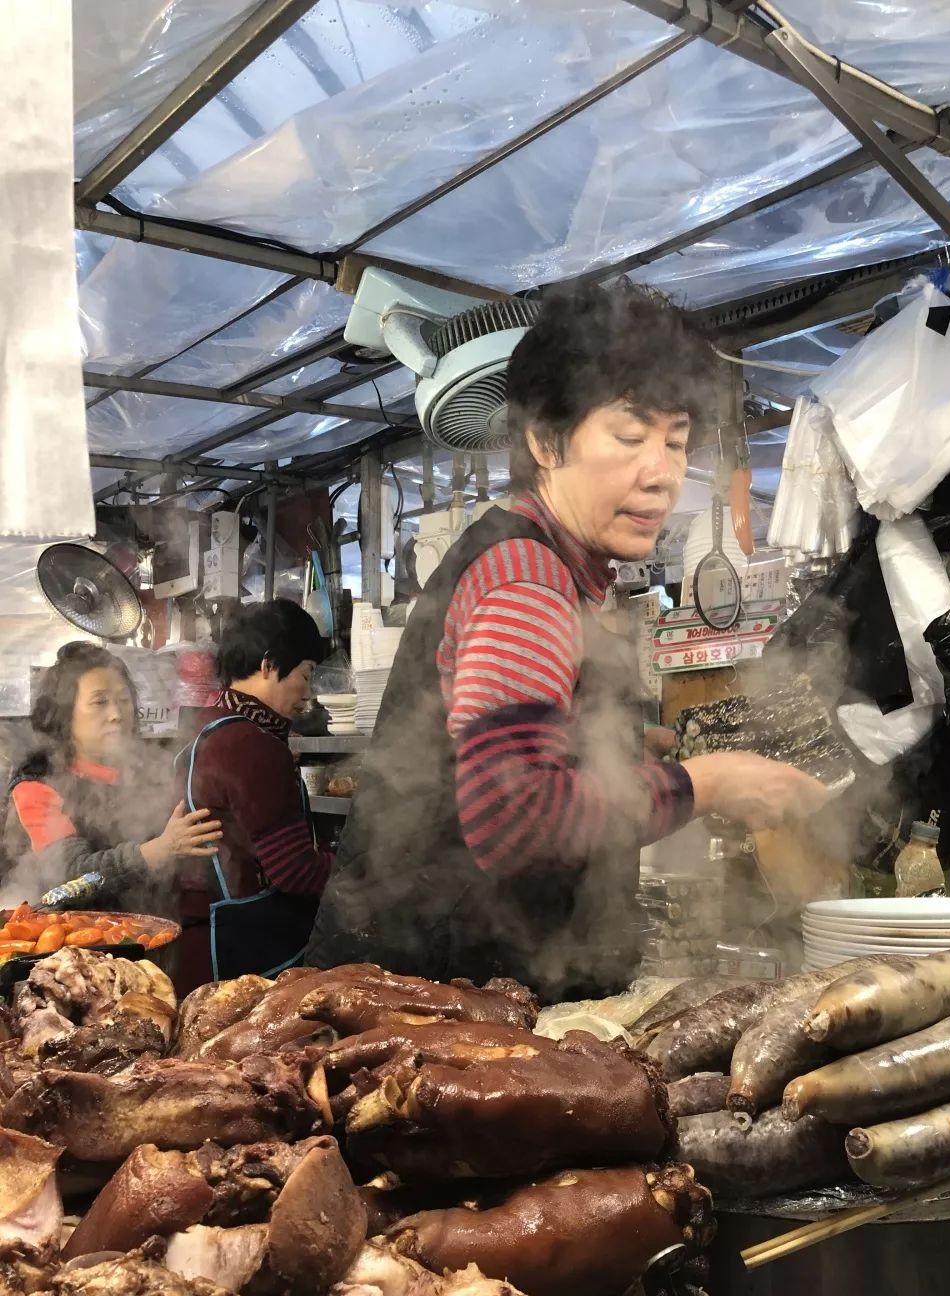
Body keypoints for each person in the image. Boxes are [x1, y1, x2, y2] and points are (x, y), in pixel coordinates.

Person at [306, 282, 828, 1000]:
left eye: (676, 442)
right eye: (629, 435)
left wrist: (596, 745)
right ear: (546, 440)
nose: (664, 473)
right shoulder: (527, 581)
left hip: (435, 986)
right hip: (425, 1007)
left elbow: (496, 747)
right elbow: (515, 820)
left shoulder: (551, 563)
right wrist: (709, 783)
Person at [176, 599, 328, 990]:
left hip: (198, 948)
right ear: (268, 664)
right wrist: (363, 872)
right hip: (247, 961)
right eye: (306, 673)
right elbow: (295, 871)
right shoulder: (253, 745)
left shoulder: (209, 725)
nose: (306, 692)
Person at [4, 642, 222, 911]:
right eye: (100, 702)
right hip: (74, 941)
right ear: (64, 713)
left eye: (123, 699)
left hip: (153, 932)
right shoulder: (38, 783)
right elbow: (71, 874)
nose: (117, 715)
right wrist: (159, 849)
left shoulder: (146, 769)